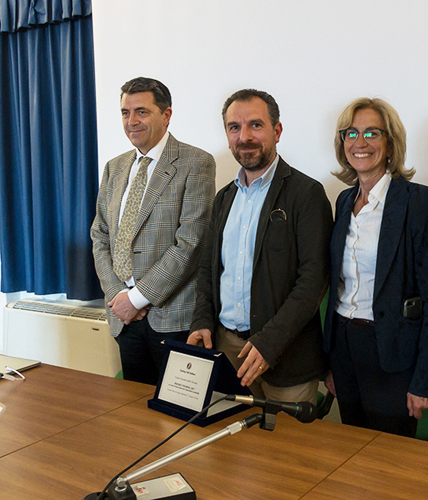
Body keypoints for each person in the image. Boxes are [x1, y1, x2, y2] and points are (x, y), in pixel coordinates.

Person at [188, 89, 332, 404]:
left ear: (276, 131)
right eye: (234, 128)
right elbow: (207, 270)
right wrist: (201, 321)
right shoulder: (224, 198)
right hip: (226, 350)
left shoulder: (306, 194)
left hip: (285, 355)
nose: (245, 137)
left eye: (256, 125)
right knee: (232, 449)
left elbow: (313, 281)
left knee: (285, 452)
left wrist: (270, 343)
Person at [323, 98, 428, 437]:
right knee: (353, 451)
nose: (359, 142)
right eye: (351, 133)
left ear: (390, 142)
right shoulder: (344, 201)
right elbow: (340, 287)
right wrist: (331, 363)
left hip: (392, 355)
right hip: (346, 350)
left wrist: (425, 379)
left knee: (389, 463)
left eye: (371, 133)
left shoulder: (420, 202)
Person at [91, 77, 216, 385]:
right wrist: (118, 296)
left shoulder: (195, 163)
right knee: (132, 415)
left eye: (142, 112)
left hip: (172, 318)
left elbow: (190, 243)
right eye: (125, 112)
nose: (132, 121)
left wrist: (138, 298)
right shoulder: (114, 167)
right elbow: (100, 236)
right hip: (124, 319)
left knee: (176, 417)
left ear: (166, 115)